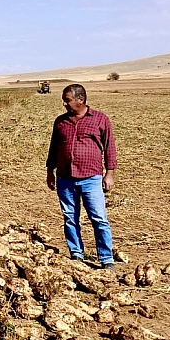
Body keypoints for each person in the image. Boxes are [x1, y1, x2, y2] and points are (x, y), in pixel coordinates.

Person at [46, 84, 117, 270]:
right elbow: (53, 148)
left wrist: (109, 174)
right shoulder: (60, 122)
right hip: (65, 177)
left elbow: (109, 147)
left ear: (81, 100)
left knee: (99, 218)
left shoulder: (100, 120)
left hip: (91, 177)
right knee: (70, 217)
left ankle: (106, 258)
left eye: (67, 100)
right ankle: (76, 254)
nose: (64, 104)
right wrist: (49, 171)